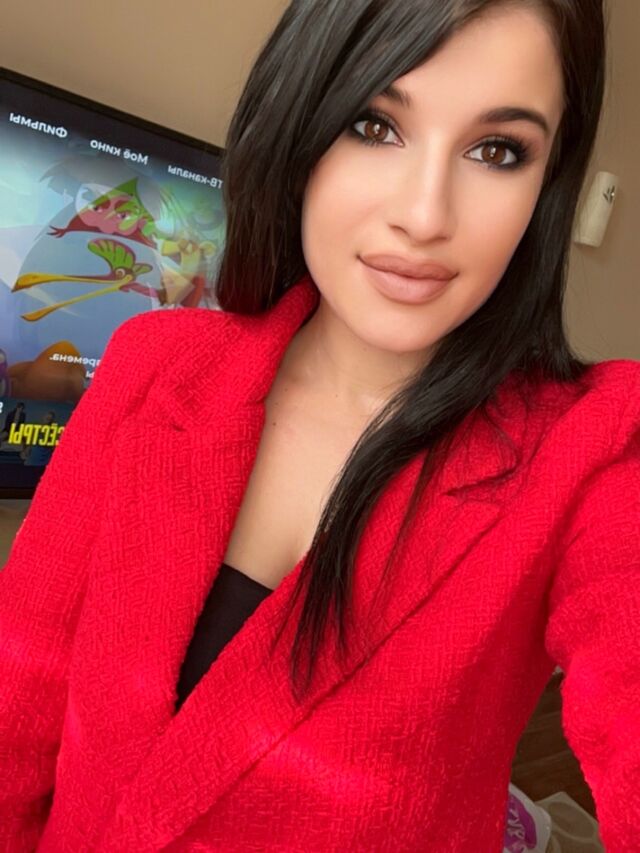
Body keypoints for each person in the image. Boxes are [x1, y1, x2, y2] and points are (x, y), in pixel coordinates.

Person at [0, 1, 638, 850]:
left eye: (497, 151)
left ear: (547, 182)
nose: (425, 215)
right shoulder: (153, 363)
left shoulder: (593, 452)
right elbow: (18, 707)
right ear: (302, 124)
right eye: (375, 125)